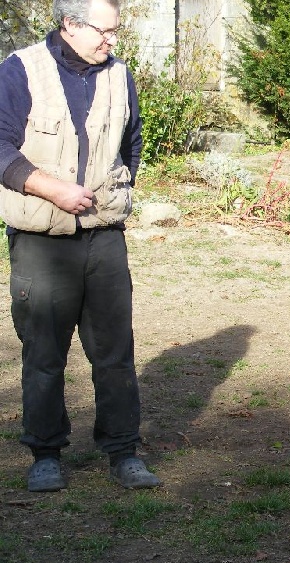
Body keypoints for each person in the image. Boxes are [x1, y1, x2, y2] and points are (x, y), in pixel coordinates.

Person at [0, 0, 161, 491]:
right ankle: (45, 454)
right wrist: (54, 190)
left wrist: (113, 193)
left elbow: (131, 144)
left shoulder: (119, 75)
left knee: (115, 352)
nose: (112, 40)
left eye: (116, 31)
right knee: (44, 353)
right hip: (40, 239)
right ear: (70, 24)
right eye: (104, 31)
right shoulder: (20, 70)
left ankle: (123, 451)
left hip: (104, 237)